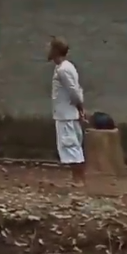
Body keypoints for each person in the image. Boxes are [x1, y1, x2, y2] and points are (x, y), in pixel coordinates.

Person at [48, 37, 87, 185]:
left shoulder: (64, 69)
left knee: (70, 145)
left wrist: (80, 107)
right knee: (71, 145)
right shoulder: (64, 67)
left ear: (56, 51)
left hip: (66, 114)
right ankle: (77, 178)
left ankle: (79, 179)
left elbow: (74, 91)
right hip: (65, 113)